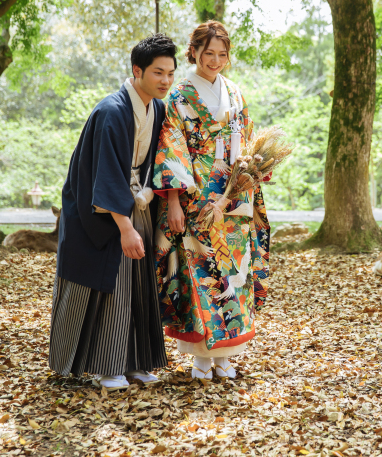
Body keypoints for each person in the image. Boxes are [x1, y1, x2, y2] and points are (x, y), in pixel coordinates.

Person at [49, 34, 176, 390]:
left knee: (137, 283)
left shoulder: (157, 108)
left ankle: (134, 361)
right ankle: (107, 367)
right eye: (157, 73)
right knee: (110, 283)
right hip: (99, 210)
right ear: (137, 71)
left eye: (169, 73)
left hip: (134, 201)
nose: (165, 80)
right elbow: (104, 172)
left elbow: (156, 161)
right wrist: (125, 227)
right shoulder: (111, 111)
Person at [152, 20, 270, 379]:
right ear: (194, 52)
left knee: (235, 271)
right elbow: (171, 145)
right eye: (208, 53)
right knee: (200, 272)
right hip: (196, 193)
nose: (215, 60)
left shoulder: (235, 92)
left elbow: (248, 143)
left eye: (222, 54)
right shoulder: (181, 94)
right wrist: (173, 200)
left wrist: (251, 169)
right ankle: (201, 357)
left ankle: (226, 356)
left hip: (234, 196)